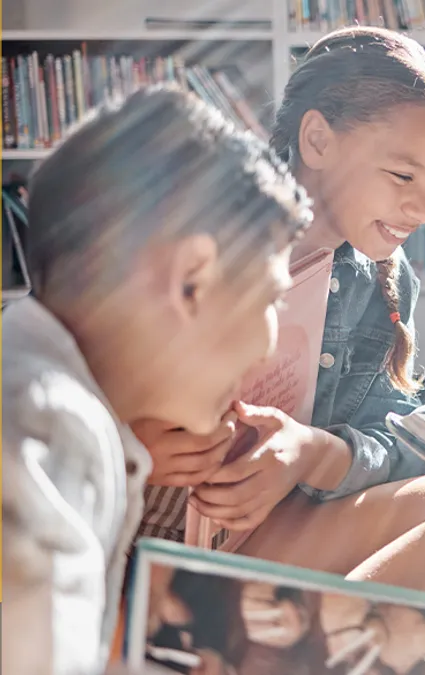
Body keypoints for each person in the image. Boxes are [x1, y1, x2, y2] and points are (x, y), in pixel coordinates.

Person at [134, 26, 425, 628]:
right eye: (403, 176)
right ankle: (212, 636)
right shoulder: (175, 232)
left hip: (261, 534)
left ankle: (263, 645)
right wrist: (129, 450)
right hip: (127, 532)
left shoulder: (382, 277)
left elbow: (391, 439)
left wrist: (311, 455)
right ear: (317, 139)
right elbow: (33, 377)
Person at [1, 86, 311, 674]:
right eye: (272, 297)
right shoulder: (54, 426)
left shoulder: (26, 370)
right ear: (192, 280)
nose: (271, 341)